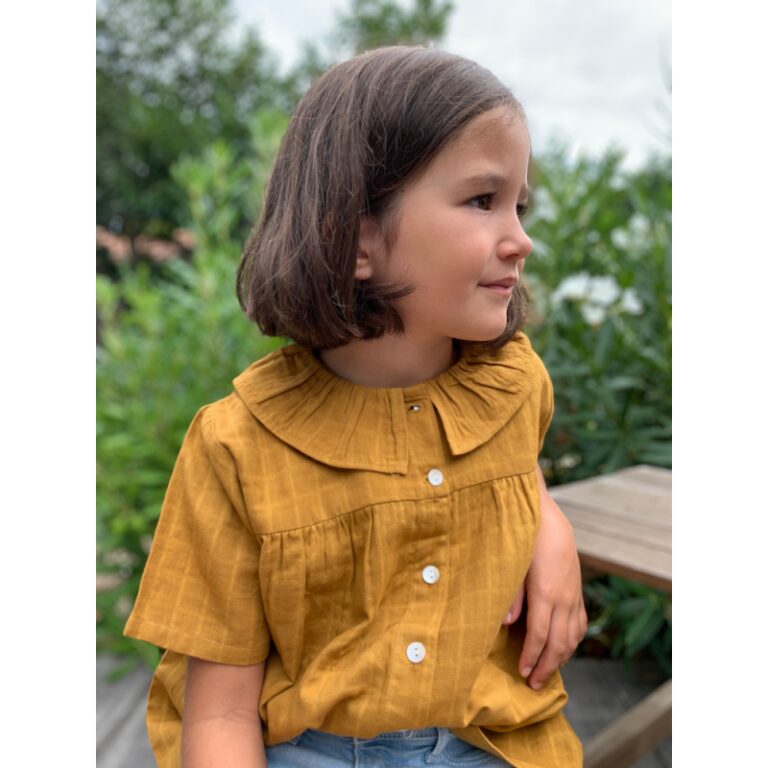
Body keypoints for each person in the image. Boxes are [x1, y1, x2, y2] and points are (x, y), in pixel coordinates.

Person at [124, 46, 587, 768]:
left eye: (519, 206)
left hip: (496, 743)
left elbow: (508, 462)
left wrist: (549, 525)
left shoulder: (514, 386)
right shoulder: (236, 446)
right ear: (357, 237)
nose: (521, 239)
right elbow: (219, 713)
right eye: (482, 200)